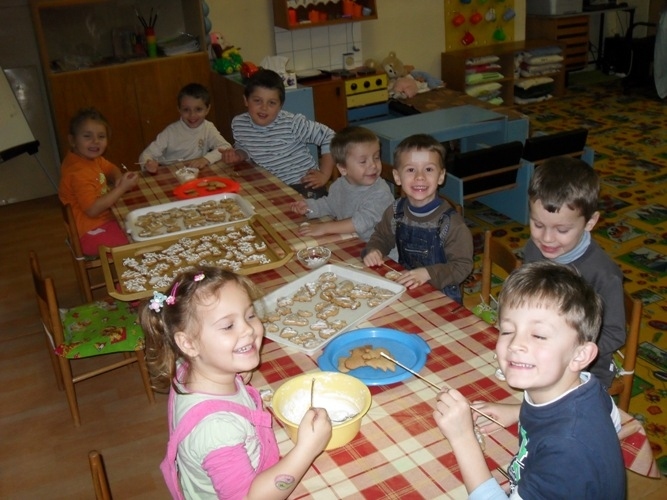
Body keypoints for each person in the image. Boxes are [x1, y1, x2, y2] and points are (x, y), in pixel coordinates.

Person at [434, 261, 625, 499]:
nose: (515, 344)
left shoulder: (566, 449)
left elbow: (574, 442)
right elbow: (613, 421)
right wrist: (517, 411)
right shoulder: (587, 387)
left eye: (539, 335)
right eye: (507, 331)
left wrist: (462, 438)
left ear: (580, 355)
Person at [140, 266, 332, 500]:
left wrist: (235, 370)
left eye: (250, 315)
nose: (248, 329)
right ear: (189, 344)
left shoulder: (188, 367)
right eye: (228, 326)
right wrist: (307, 449)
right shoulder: (216, 430)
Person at [522, 156, 625, 389]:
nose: (547, 238)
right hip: (536, 350)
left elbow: (615, 333)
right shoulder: (533, 249)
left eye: (562, 230)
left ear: (590, 222)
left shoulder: (603, 274)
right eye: (538, 225)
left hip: (583, 371)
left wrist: (568, 350)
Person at [362, 134, 473, 303]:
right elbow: (381, 237)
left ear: (441, 176)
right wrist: (374, 250)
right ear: (397, 176)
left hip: (441, 297)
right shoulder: (396, 211)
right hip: (406, 289)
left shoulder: (451, 224)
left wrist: (428, 273)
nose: (419, 176)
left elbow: (462, 266)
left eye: (428, 169)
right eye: (411, 170)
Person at [219, 69, 335, 198]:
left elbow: (329, 136)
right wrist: (238, 155)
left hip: (303, 184)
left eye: (272, 103)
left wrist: (324, 174)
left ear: (280, 106)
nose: (264, 108)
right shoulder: (239, 123)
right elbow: (245, 146)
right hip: (271, 186)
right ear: (246, 100)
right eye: (257, 101)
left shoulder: (292, 123)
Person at [290, 126, 394, 242]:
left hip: (382, 248)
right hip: (351, 240)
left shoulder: (381, 192)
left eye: (376, 158)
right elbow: (330, 204)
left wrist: (324, 228)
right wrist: (309, 207)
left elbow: (360, 222)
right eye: (363, 161)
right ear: (343, 169)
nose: (373, 165)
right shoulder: (339, 185)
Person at [58, 107, 138, 256]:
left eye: (101, 136)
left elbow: (110, 168)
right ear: (72, 140)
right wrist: (121, 188)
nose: (95, 141)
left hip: (102, 221)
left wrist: (118, 178)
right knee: (138, 240)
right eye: (87, 136)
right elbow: (93, 210)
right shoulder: (78, 172)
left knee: (140, 224)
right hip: (89, 232)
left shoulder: (89, 158)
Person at [139, 82, 231, 174]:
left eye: (198, 109)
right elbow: (146, 154)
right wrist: (148, 164)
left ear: (207, 109)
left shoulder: (208, 128)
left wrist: (205, 159)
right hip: (172, 173)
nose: (192, 115)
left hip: (195, 173)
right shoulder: (170, 132)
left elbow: (226, 147)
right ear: (179, 109)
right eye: (186, 110)